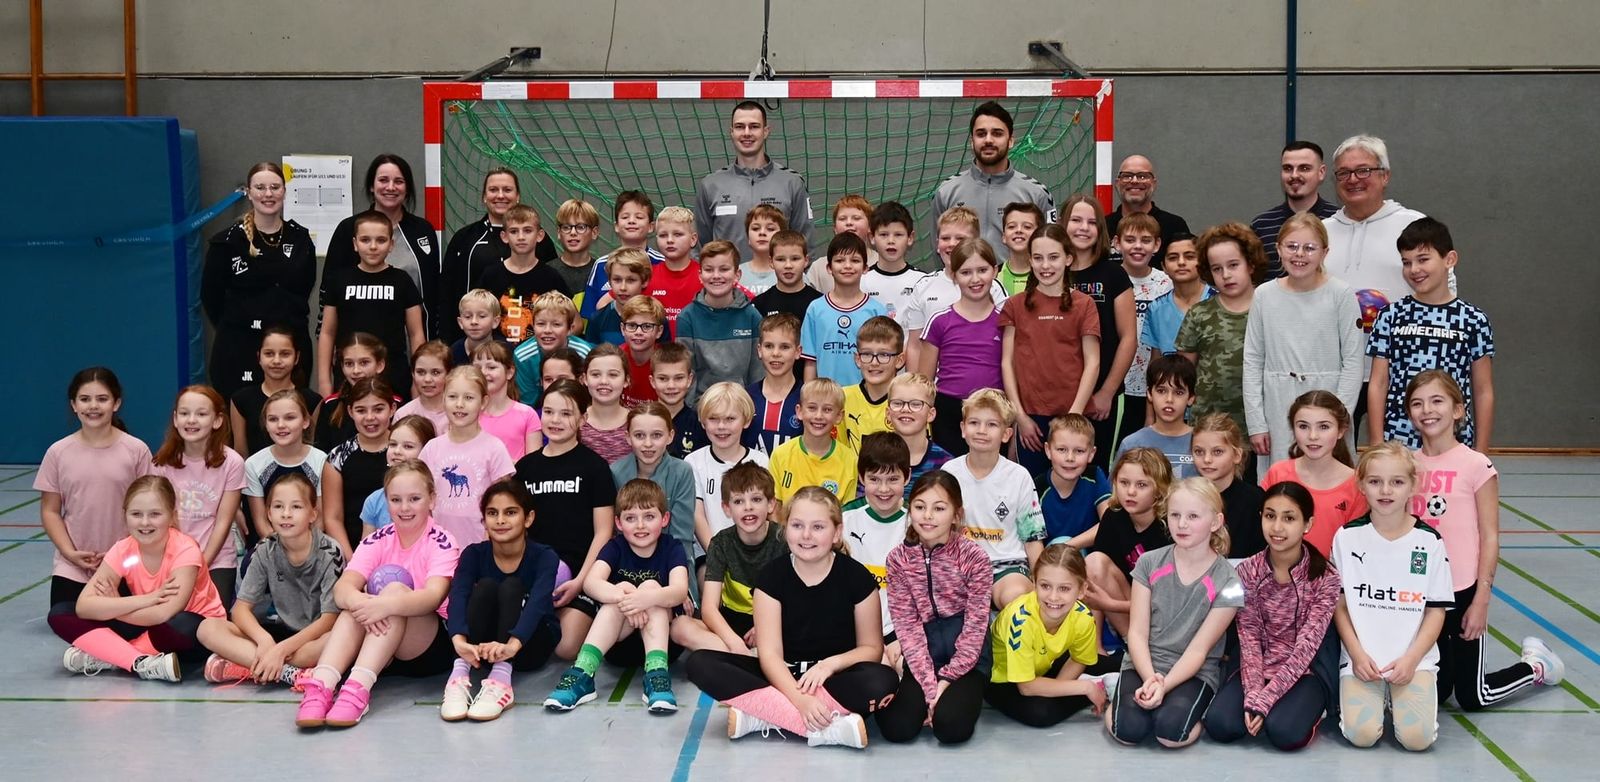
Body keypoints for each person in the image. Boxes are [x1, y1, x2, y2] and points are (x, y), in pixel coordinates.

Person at [684, 487, 898, 749]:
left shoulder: (858, 578)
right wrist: (800, 700)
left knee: (883, 679)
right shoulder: (771, 577)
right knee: (700, 663)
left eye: (818, 527)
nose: (806, 535)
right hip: (781, 675)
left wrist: (830, 664)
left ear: (837, 533)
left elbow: (872, 649)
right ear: (785, 531)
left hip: (834, 679)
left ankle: (765, 715)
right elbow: (770, 655)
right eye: (797, 525)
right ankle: (823, 727)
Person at [1407, 371, 1563, 709]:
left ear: (1458, 410)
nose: (1427, 410)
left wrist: (1481, 600)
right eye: (1417, 403)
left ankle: (1536, 664)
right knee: (1436, 691)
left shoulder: (1477, 465)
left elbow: (1489, 536)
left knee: (1474, 696)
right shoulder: (1406, 465)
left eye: (1437, 401)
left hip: (1463, 591)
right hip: (1421, 592)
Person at [294, 461, 462, 729]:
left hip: (426, 646)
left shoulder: (442, 541)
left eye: (414, 499)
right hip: (381, 638)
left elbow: (433, 596)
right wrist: (363, 603)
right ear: (386, 501)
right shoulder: (378, 538)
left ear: (432, 500)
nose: (404, 508)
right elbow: (343, 588)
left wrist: (384, 604)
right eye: (396, 500)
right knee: (352, 605)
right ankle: (321, 685)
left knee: (392, 592)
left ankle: (356, 690)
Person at [1106, 477, 1243, 748]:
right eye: (1175, 515)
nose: (1182, 524)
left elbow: (1199, 651)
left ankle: (1192, 708)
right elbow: (1137, 632)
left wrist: (1164, 685)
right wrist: (1149, 678)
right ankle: (1118, 695)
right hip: (1143, 662)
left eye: (1193, 516)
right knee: (1128, 732)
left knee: (1171, 736)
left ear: (1215, 522)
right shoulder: (1148, 563)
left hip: (1193, 671)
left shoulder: (1231, 582)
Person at [1322, 135, 1442, 440]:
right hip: (1335, 370)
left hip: (1400, 370)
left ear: (1385, 175)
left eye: (1364, 170)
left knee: (1399, 463)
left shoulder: (1414, 225)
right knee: (1332, 458)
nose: (1353, 180)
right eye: (1344, 173)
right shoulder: (1320, 233)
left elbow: (1442, 294)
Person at [1204, 480, 1340, 749]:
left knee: (1284, 733)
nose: (1277, 528)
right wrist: (1254, 694)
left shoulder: (1326, 577)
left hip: (1305, 672)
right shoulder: (1245, 571)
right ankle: (1264, 704)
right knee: (1221, 726)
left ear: (1307, 524)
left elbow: (1306, 649)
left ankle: (1311, 706)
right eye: (1270, 516)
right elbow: (1249, 637)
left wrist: (1265, 701)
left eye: (1289, 518)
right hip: (1256, 667)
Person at [1332, 442, 1449, 751]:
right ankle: (1376, 696)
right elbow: (1339, 605)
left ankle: (1398, 697)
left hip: (1412, 660)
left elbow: (1436, 611)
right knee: (1362, 736)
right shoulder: (1346, 537)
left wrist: (1412, 659)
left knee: (1417, 741)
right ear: (1361, 485)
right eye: (1375, 481)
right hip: (1362, 660)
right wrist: (1356, 654)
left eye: (1397, 482)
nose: (1386, 490)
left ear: (1413, 486)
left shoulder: (1430, 542)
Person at [52, 476, 225, 683]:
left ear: (172, 516)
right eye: (136, 514)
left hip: (193, 633)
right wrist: (147, 598)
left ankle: (110, 654)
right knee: (60, 613)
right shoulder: (123, 549)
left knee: (180, 624)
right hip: (145, 618)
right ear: (125, 516)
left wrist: (114, 606)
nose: (144, 522)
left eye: (155, 514)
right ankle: (139, 661)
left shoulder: (185, 549)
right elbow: (84, 605)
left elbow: (165, 613)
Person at [543, 479, 694, 714]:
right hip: (617, 644)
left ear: (665, 519)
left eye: (649, 517)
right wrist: (625, 596)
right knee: (620, 591)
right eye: (631, 518)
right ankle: (583, 673)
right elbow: (592, 583)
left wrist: (645, 598)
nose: (640, 525)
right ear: (619, 523)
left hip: (663, 647)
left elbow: (679, 591)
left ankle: (656, 676)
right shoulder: (616, 547)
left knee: (652, 587)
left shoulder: (671, 547)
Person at [876, 471, 994, 744]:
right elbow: (907, 626)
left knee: (950, 727)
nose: (927, 516)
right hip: (923, 657)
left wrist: (948, 680)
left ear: (956, 514)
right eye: (919, 507)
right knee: (897, 728)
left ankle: (967, 695)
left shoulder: (975, 558)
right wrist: (930, 689)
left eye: (939, 508)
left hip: (968, 662)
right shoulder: (898, 560)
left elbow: (976, 627)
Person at [198, 472, 341, 688]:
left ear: (313, 514)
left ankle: (250, 666)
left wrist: (281, 650)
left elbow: (329, 619)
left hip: (313, 637)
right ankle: (289, 673)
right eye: (278, 507)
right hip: (278, 631)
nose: (286, 514)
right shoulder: (266, 548)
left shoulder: (330, 552)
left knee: (337, 641)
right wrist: (265, 642)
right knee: (207, 629)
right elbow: (240, 610)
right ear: (268, 514)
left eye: (296, 507)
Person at [1244, 213, 1364, 464]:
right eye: (1291, 246)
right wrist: (1256, 422)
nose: (1300, 254)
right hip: (1278, 406)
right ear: (1278, 249)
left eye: (1309, 248)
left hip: (1329, 402)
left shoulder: (1341, 294)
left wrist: (1338, 417)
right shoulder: (1264, 295)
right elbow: (1253, 360)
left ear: (1324, 252)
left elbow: (1353, 361)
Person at [1367, 217, 1495, 449]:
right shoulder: (1390, 316)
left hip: (1454, 441)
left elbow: (1483, 390)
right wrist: (1377, 443)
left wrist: (1481, 451)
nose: (1414, 270)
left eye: (1423, 259)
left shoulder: (1474, 320)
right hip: (1399, 441)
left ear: (1450, 259)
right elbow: (1378, 383)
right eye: (1406, 262)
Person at [440, 480, 562, 722]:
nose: (501, 520)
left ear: (528, 518)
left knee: (511, 585)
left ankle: (501, 681)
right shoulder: (474, 554)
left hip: (528, 647)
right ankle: (458, 676)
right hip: (483, 650)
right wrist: (459, 642)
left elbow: (538, 604)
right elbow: (459, 596)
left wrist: (511, 647)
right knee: (485, 587)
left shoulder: (544, 556)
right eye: (492, 513)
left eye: (511, 512)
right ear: (484, 521)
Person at [513, 380, 617, 661]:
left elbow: (603, 532)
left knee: (566, 647)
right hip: (534, 576)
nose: (555, 420)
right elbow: (514, 530)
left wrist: (581, 582)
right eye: (549, 412)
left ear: (583, 418)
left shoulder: (595, 467)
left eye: (566, 413)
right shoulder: (525, 468)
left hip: (577, 576)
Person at [38, 368, 152, 617]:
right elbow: (50, 510)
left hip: (125, 562)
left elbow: (151, 509)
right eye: (85, 399)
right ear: (74, 405)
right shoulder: (58, 452)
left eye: (102, 399)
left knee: (127, 618)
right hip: (75, 564)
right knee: (63, 615)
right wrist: (69, 552)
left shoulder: (136, 450)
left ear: (116, 403)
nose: (93, 406)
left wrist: (123, 552)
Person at [203, 161, 316, 400]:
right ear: (249, 192)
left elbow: (303, 289)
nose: (268, 194)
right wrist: (239, 324)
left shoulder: (301, 239)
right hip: (238, 347)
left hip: (288, 347)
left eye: (275, 187)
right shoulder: (227, 243)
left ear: (284, 192)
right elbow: (211, 297)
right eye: (260, 187)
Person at [1002, 223, 1101, 475]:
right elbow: (1007, 362)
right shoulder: (1015, 305)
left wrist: (1074, 415)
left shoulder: (1084, 304)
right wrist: (1020, 416)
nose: (1046, 266)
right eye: (1038, 258)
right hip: (1031, 422)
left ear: (1068, 258)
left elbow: (1092, 362)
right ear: (1030, 261)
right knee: (1033, 490)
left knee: (1073, 489)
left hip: (1073, 414)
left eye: (1053, 257)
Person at [321, 154, 444, 339]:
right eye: (383, 180)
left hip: (413, 342)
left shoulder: (423, 230)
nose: (391, 187)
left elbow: (434, 292)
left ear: (407, 187)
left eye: (399, 181)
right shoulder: (349, 228)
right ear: (372, 186)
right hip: (357, 343)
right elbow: (330, 289)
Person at [943, 390, 1045, 609]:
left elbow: (1033, 539)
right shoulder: (949, 472)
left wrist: (1041, 583)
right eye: (974, 422)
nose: (981, 431)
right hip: (960, 566)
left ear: (1007, 434)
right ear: (963, 429)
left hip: (1007, 566)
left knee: (1016, 596)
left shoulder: (1019, 476)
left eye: (992, 424)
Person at [987, 544, 1108, 727]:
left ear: (1082, 590)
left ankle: (1129, 681)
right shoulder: (1021, 620)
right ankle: (1101, 689)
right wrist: (1085, 688)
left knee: (1107, 662)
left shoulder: (1083, 616)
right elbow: (1026, 687)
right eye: (1045, 586)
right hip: (1003, 679)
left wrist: (1059, 689)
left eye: (1064, 589)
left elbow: (1078, 660)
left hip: (1042, 664)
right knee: (1041, 713)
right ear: (1033, 583)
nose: (1053, 597)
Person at [150, 385, 247, 605]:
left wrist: (201, 564)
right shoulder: (161, 463)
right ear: (175, 419)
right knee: (170, 619)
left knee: (207, 622)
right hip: (171, 558)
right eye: (184, 413)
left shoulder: (231, 463)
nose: (191, 420)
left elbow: (223, 521)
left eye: (201, 414)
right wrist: (178, 564)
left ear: (217, 420)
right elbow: (160, 519)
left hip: (215, 559)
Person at [440, 168, 557, 344]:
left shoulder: (540, 240)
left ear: (518, 196)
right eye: (493, 190)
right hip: (477, 345)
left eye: (507, 190)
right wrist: (449, 343)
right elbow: (447, 295)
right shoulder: (464, 239)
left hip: (531, 345)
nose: (500, 195)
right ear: (484, 197)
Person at [316, 210, 425, 398]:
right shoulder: (339, 280)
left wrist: (418, 379)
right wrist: (324, 381)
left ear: (391, 245)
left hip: (394, 378)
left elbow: (416, 335)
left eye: (381, 240)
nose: (373, 246)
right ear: (355, 244)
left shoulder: (402, 281)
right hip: (349, 378)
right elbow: (327, 333)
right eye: (365, 240)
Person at [1177, 222, 1267, 448]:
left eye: (1234, 265)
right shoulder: (1200, 314)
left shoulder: (1270, 309)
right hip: (1209, 428)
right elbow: (1183, 373)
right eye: (1217, 269)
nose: (1226, 275)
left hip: (1261, 428)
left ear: (1251, 264)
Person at [696, 100, 814, 261]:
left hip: (779, 284)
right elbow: (700, 247)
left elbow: (805, 245)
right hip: (728, 285)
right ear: (731, 132)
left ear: (766, 131)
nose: (746, 133)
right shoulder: (711, 185)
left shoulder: (792, 183)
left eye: (754, 126)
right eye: (739, 127)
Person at [919, 238, 1006, 457]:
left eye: (982, 270)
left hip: (992, 410)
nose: (975, 279)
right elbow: (924, 382)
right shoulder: (940, 321)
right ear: (954, 276)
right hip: (948, 412)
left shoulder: (1006, 322)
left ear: (994, 271)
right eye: (966, 272)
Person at [932, 100, 1057, 252]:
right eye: (981, 134)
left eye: (997, 133)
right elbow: (938, 249)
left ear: (1010, 141)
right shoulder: (946, 192)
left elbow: (1051, 249)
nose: (988, 140)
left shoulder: (1037, 194)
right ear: (972, 142)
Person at [416, 366, 515, 546]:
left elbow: (503, 500)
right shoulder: (431, 448)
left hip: (481, 545)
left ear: (483, 402)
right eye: (453, 397)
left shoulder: (494, 448)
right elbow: (420, 496)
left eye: (469, 398)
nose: (459, 404)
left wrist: (488, 542)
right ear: (444, 398)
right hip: (438, 548)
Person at [1261, 391, 1368, 556]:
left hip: (1335, 577)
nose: (1313, 436)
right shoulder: (1278, 473)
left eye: (1324, 427)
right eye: (1303, 426)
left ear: (1341, 431)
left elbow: (1356, 546)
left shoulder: (1357, 484)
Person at [1083, 448, 1174, 640]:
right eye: (1124, 483)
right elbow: (1095, 582)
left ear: (1159, 489)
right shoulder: (1114, 516)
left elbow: (1168, 600)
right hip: (1128, 609)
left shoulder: (1172, 526)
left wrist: (1108, 604)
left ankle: (1144, 645)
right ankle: (1129, 645)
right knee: (1094, 562)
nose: (1130, 492)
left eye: (1141, 485)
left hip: (1167, 613)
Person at [902, 207, 1008, 371]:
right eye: (945, 238)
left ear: (975, 243)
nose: (952, 244)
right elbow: (915, 346)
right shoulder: (924, 287)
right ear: (937, 244)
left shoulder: (993, 288)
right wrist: (917, 389)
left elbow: (1005, 345)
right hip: (938, 390)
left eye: (960, 238)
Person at [839, 433, 911, 661]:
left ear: (907, 477)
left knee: (908, 671)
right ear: (861, 478)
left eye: (892, 479)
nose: (883, 489)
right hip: (852, 629)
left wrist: (907, 635)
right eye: (874, 479)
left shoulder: (917, 522)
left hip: (899, 631)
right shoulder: (844, 518)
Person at [700, 463, 785, 654]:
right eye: (738, 501)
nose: (748, 507)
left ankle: (752, 657)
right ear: (727, 508)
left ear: (771, 504)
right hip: (733, 624)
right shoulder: (721, 542)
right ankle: (745, 656)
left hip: (773, 622)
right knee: (681, 628)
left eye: (756, 499)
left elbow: (796, 600)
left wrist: (765, 628)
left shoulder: (784, 540)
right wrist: (734, 642)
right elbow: (709, 609)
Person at [611, 402, 700, 579]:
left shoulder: (682, 472)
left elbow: (681, 537)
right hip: (626, 566)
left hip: (670, 566)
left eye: (657, 435)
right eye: (639, 435)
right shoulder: (615, 472)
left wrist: (683, 584)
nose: (648, 444)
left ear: (670, 436)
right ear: (627, 437)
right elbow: (615, 534)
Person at [687, 383, 769, 554]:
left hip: (752, 552)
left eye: (730, 419)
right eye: (713, 419)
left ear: (746, 421)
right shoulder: (693, 462)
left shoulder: (761, 461)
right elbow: (697, 516)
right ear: (703, 422)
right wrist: (717, 555)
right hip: (708, 552)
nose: (721, 426)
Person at [678, 240, 765, 399]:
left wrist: (751, 408)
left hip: (742, 407)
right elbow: (685, 372)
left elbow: (757, 373)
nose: (716, 276)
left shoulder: (752, 316)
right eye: (709, 270)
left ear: (737, 275)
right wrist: (695, 411)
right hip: (701, 410)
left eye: (724, 269)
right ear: (700, 275)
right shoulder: (687, 317)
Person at [321, 377, 397, 558]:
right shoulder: (337, 458)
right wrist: (353, 561)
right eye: (361, 410)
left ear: (392, 408)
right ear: (350, 411)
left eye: (378, 409)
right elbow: (333, 518)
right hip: (354, 550)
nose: (370, 418)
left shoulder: (406, 450)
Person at [801, 233, 889, 386]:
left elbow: (884, 364)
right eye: (840, 260)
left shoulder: (877, 311)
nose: (847, 266)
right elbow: (810, 362)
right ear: (829, 268)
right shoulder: (816, 309)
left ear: (865, 268)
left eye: (855, 260)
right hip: (826, 400)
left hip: (865, 400)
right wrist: (809, 396)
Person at [475, 204, 570, 345]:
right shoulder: (491, 275)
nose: (521, 237)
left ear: (540, 235)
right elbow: (476, 316)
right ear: (504, 236)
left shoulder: (551, 277)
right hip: (498, 358)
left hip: (536, 359)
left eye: (527, 231)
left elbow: (574, 322)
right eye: (514, 231)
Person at [243, 390, 327, 540]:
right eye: (273, 419)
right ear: (266, 424)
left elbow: (319, 519)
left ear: (305, 421)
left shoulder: (321, 461)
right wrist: (283, 550)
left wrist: (304, 549)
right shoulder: (254, 464)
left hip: (312, 545)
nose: (281, 425)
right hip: (270, 546)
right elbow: (261, 522)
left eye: (290, 418)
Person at [1116, 213, 1174, 433]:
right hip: (1117, 385)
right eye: (1130, 240)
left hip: (1152, 386)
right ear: (1116, 243)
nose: (1138, 246)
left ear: (1157, 244)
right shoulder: (1111, 277)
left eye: (1146, 240)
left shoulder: (1165, 283)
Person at [228, 324, 320, 459]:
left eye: (285, 354)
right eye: (269, 353)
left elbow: (311, 449)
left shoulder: (312, 400)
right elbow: (241, 453)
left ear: (297, 357)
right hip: (254, 477)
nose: (276, 360)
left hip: (299, 477)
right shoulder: (241, 400)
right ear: (259, 357)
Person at [1250, 141, 1340, 278]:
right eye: (1288, 168)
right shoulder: (1261, 226)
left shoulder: (1338, 221)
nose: (1294, 175)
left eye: (1304, 168)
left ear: (1321, 172)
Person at [769, 379, 857, 506]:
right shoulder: (781, 454)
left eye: (827, 410)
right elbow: (774, 508)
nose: (818, 416)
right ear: (799, 411)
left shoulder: (849, 459)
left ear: (839, 416)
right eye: (812, 408)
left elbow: (847, 514)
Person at [580, 190, 665, 321]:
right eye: (625, 217)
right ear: (616, 226)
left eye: (639, 217)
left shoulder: (662, 263)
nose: (631, 221)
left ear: (651, 226)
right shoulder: (601, 265)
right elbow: (590, 314)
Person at [1190, 413, 1265, 558]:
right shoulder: (1186, 498)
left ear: (1237, 455)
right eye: (1199, 451)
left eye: (1217, 452)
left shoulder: (1255, 500)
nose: (1207, 459)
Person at [1115, 354, 1199, 479]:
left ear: (1191, 398)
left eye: (1179, 392)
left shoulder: (1201, 442)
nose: (1169, 399)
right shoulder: (1131, 444)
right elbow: (1116, 491)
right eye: (1161, 391)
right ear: (1149, 394)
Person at [1036, 414, 1111, 547]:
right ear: (1048, 450)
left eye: (1079, 451)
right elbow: (1033, 540)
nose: (1070, 458)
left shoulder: (1094, 476)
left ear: (1091, 454)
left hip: (1088, 558)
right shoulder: (1037, 487)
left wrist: (1066, 546)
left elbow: (1109, 523)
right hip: (1050, 560)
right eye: (1062, 449)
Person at [1106, 155, 1191, 269]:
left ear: (1154, 183)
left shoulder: (1174, 225)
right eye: (1127, 176)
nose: (1134, 181)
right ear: (1117, 183)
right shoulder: (1103, 226)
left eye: (1142, 176)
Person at [312, 333, 390, 452]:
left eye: (364, 363)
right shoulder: (330, 405)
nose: (356, 370)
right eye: (349, 364)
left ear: (380, 365)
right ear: (342, 367)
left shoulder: (394, 403)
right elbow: (321, 453)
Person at [358, 415, 436, 532]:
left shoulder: (435, 496)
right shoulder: (374, 500)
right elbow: (367, 545)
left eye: (408, 446)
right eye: (393, 444)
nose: (397, 451)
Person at [1140, 232, 1210, 360]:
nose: (1181, 262)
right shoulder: (1156, 308)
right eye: (1173, 258)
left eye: (1189, 257)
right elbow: (1156, 361)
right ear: (1164, 267)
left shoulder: (1218, 301)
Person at [512, 292, 594, 400]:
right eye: (541, 324)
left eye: (556, 324)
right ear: (533, 326)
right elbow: (528, 404)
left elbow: (590, 398)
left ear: (570, 329)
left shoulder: (584, 353)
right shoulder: (523, 356)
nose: (547, 330)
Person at [745, 313, 805, 457]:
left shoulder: (807, 398)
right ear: (759, 350)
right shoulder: (745, 397)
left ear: (798, 352)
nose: (776, 353)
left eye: (784, 347)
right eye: (769, 346)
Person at [841, 316, 904, 452]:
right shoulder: (841, 398)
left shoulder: (909, 404)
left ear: (899, 360)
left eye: (883, 355)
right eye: (867, 354)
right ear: (857, 359)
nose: (874, 362)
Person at [857, 201, 925, 320]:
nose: (891, 241)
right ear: (872, 237)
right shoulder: (862, 281)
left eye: (898, 234)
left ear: (910, 238)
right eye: (884, 234)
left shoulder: (923, 282)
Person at [886, 373, 952, 496]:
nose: (905, 409)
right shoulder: (875, 456)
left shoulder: (945, 464)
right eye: (898, 403)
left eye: (916, 404)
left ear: (931, 414)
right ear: (888, 413)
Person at [472, 341, 540, 460]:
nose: (483, 372)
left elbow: (533, 465)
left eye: (491, 367)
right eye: (477, 368)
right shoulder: (468, 413)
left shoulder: (527, 414)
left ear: (509, 372)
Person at [806, 195, 881, 292]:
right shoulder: (818, 268)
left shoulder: (881, 263)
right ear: (835, 229)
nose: (849, 222)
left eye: (856, 218)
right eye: (842, 218)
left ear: (870, 227)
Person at [648, 206, 705, 333]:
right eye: (663, 235)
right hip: (657, 352)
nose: (669, 240)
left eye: (678, 234)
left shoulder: (706, 276)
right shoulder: (647, 276)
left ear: (693, 239)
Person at [584, 248, 655, 347]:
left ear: (645, 281)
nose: (623, 287)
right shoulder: (597, 319)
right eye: (617, 280)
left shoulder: (656, 318)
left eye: (631, 280)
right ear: (609, 281)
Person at [578, 344, 633, 464]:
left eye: (613, 375)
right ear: (584, 379)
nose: (604, 381)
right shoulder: (575, 422)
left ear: (626, 381)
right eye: (595, 374)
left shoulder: (637, 422)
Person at [753, 229, 822, 321]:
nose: (788, 265)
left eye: (795, 259)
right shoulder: (760, 304)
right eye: (781, 259)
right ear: (771, 262)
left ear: (806, 261)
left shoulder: (820, 302)